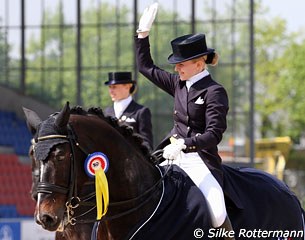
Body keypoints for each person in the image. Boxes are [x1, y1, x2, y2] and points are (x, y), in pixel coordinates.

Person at [135, 3, 235, 239]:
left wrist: (185, 144)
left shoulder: (214, 92)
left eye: (181, 63)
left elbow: (214, 134)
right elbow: (145, 67)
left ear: (199, 64)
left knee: (218, 212)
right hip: (170, 154)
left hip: (199, 159)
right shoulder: (178, 83)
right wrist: (142, 35)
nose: (177, 68)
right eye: (176, 64)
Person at [104, 71, 154, 150]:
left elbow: (146, 143)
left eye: (114, 87)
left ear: (127, 86)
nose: (111, 91)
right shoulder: (107, 112)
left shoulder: (141, 112)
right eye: (110, 87)